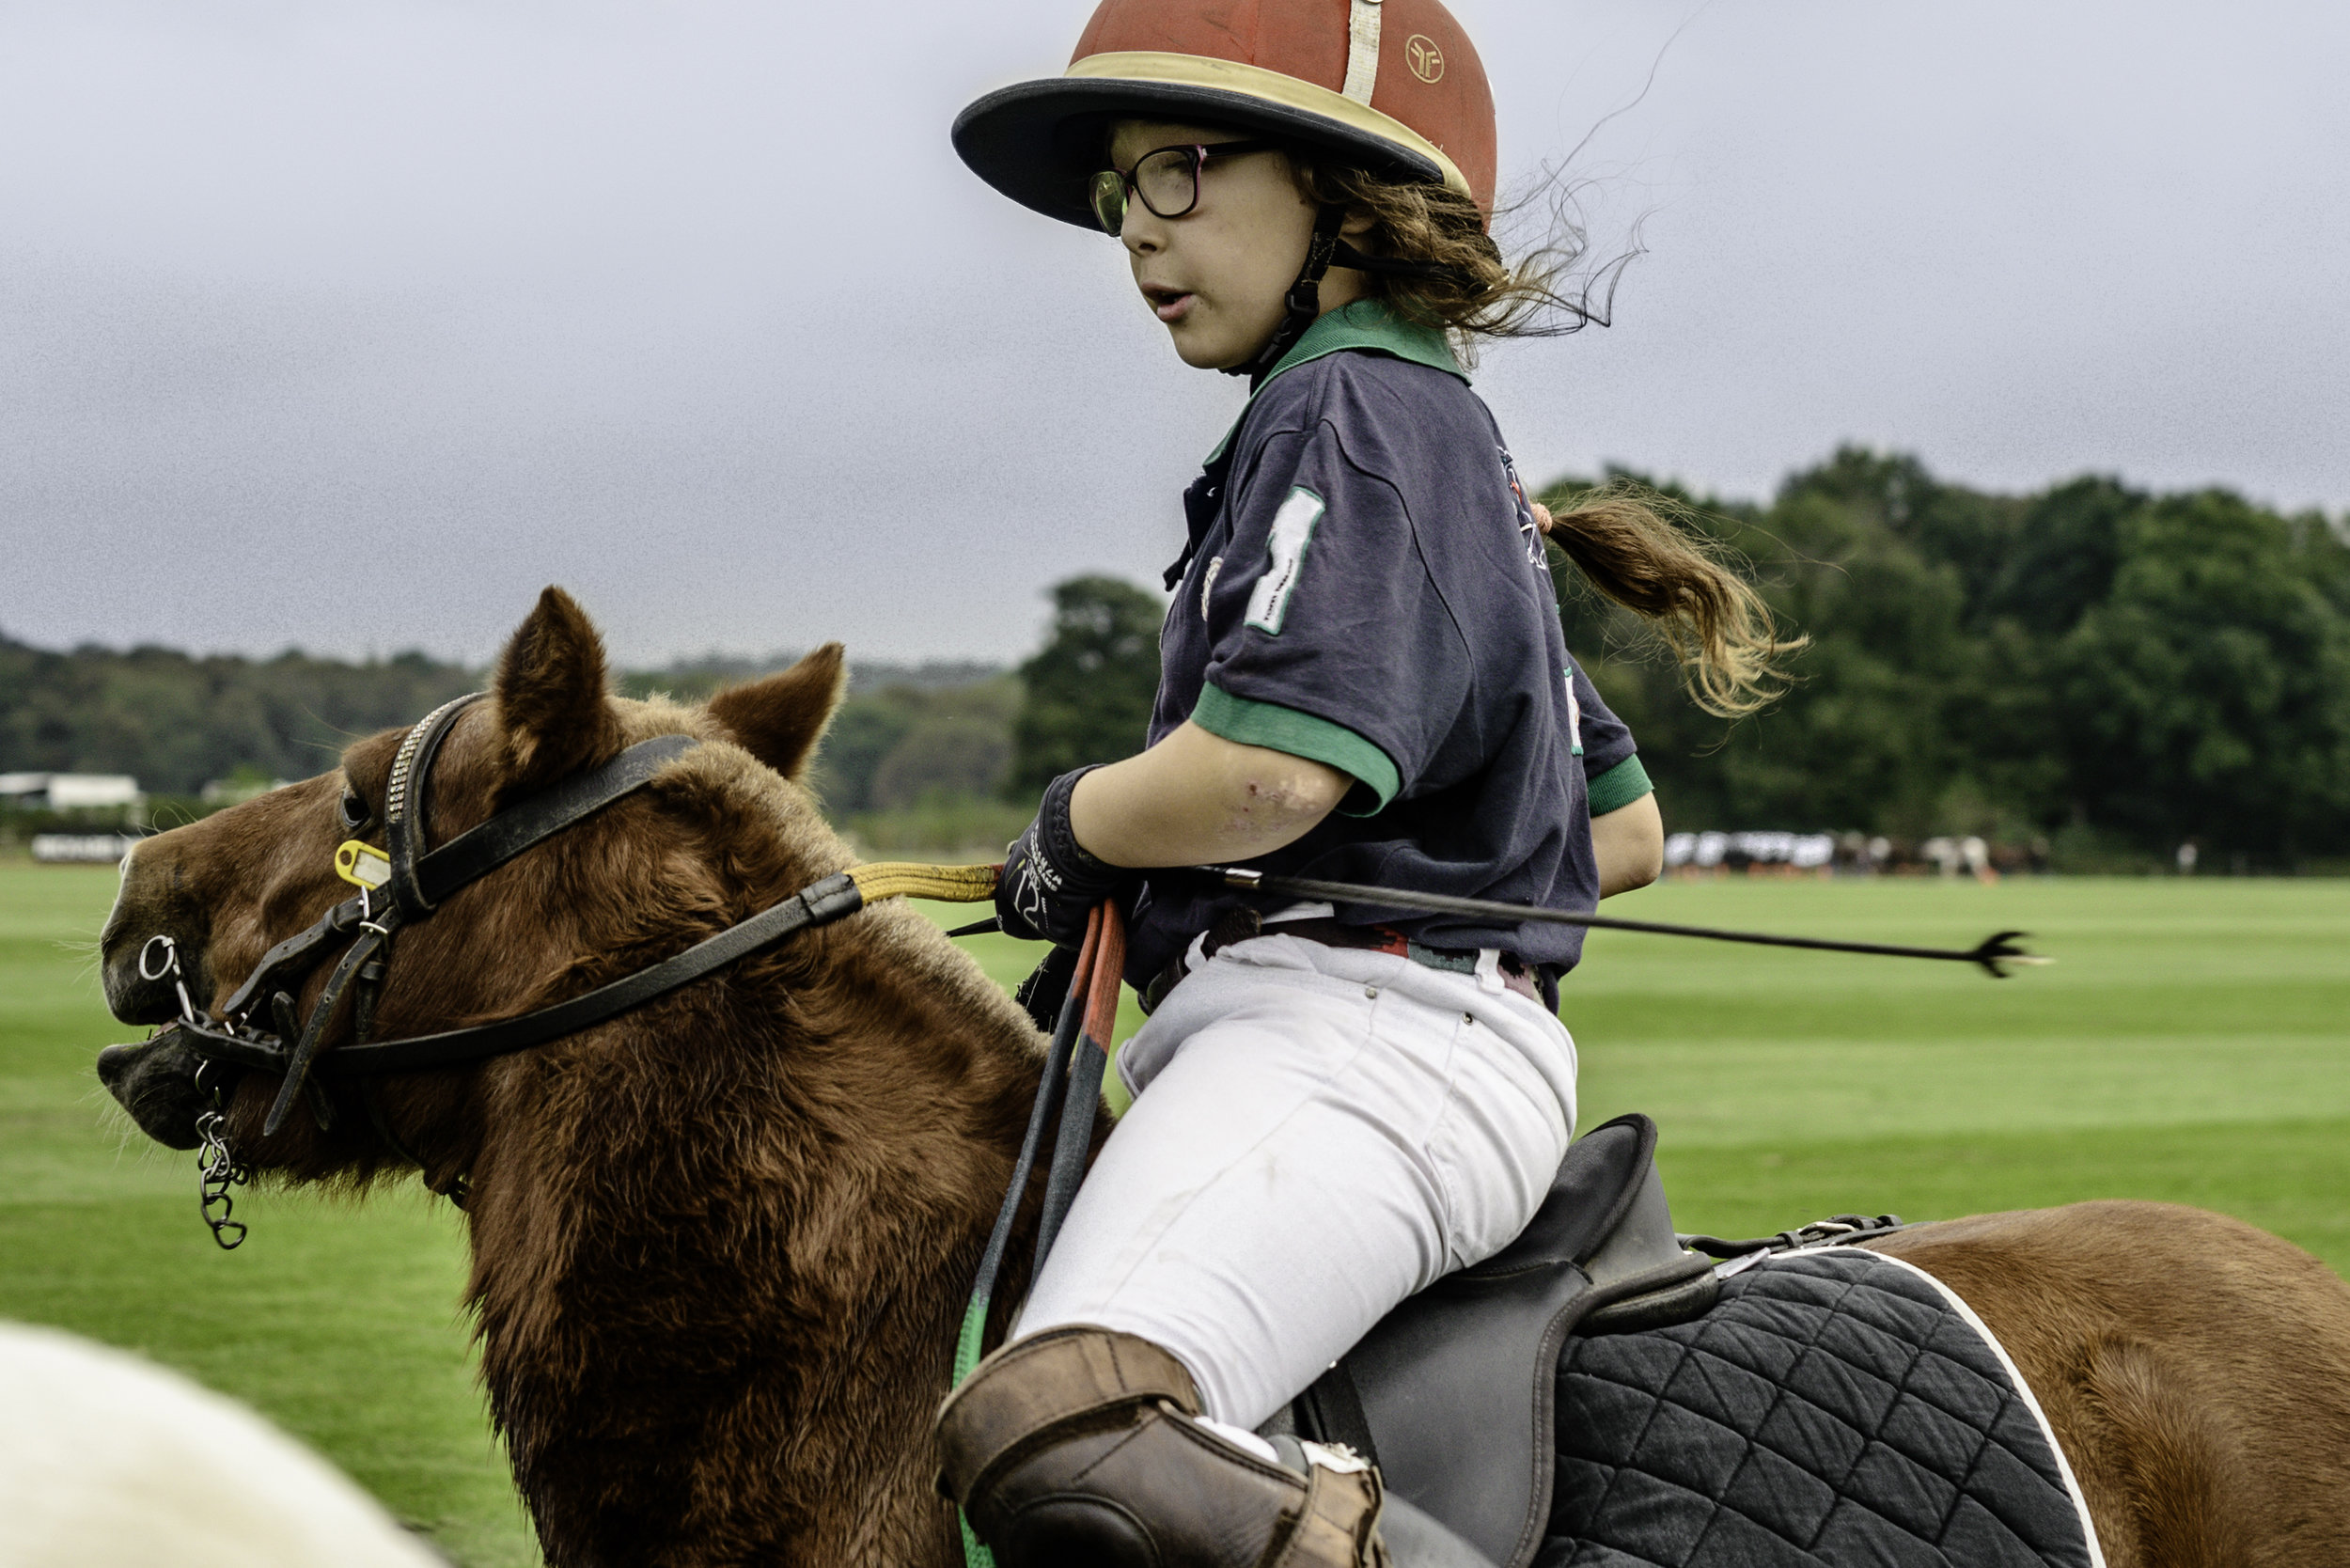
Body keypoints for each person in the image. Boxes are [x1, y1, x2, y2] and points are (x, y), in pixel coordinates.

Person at [935, 4, 1794, 1563]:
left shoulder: (1352, 415)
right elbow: (1623, 830)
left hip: (1368, 1051)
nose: (1137, 231)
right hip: (1364, 1039)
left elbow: (1263, 778)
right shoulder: (1422, 435)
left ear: (1347, 194)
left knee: (1064, 1430)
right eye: (1122, 189)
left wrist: (1081, 827)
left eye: (1182, 170)